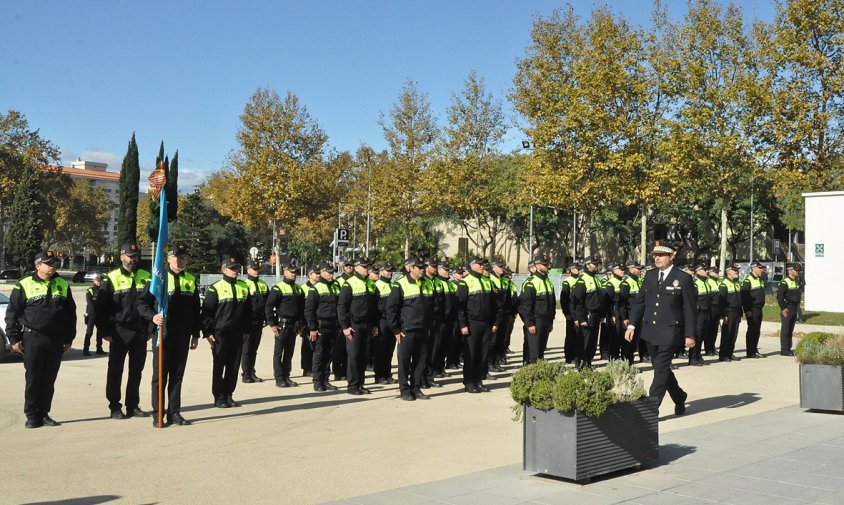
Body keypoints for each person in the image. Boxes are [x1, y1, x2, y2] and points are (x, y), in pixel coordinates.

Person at [5, 251, 76, 428]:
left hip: (56, 339)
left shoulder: (62, 284)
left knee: (49, 379)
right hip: (33, 338)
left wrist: (69, 338)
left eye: (54, 263)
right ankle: (32, 415)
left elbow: (70, 315)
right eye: (48, 263)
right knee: (34, 378)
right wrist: (13, 338)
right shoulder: (24, 285)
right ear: (38, 266)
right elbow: (12, 314)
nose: (52, 266)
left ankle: (44, 413)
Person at [626, 242, 696, 416]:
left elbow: (689, 309)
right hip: (650, 331)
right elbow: (639, 302)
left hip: (671, 332)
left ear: (671, 257)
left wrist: (690, 334)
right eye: (655, 255)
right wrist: (632, 325)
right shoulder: (649, 276)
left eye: (661, 255)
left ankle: (650, 410)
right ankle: (679, 397)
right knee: (661, 369)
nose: (657, 258)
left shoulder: (683, 278)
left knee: (660, 370)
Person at [138, 244, 201, 427]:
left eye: (184, 257)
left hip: (182, 336)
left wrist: (195, 334)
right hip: (163, 335)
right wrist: (153, 316)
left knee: (177, 376)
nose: (182, 260)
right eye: (178, 257)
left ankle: (175, 412)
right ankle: (158, 414)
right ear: (169, 258)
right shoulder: (159, 279)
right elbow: (142, 303)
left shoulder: (190, 279)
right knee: (160, 377)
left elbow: (196, 309)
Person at [98, 242, 152, 420]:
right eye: (129, 257)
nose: (133, 260)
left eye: (135, 257)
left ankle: (133, 405)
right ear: (122, 257)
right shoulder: (111, 278)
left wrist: (150, 329)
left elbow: (153, 304)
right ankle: (114, 406)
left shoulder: (147, 277)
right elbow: (101, 308)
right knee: (115, 371)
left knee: (136, 371)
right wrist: (104, 331)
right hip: (118, 331)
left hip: (140, 332)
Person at [202, 257, 252, 408]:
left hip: (237, 334)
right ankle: (218, 397)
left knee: (234, 367)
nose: (235, 271)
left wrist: (246, 331)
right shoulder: (215, 288)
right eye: (231, 268)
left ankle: (229, 394)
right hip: (220, 335)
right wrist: (207, 333)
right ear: (223, 270)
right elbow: (206, 313)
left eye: (236, 268)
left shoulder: (244, 287)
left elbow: (248, 311)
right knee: (219, 366)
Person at [387, 257, 434, 400]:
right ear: (411, 268)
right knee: (404, 361)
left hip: (423, 329)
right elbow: (391, 309)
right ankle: (404, 389)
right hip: (407, 330)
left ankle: (416, 387)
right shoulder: (400, 284)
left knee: (420, 361)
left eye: (423, 267)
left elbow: (432, 307)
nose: (423, 270)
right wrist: (396, 330)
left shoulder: (427, 283)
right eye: (419, 267)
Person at [456, 256, 499, 393]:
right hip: (471, 323)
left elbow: (493, 305)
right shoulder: (465, 282)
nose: (482, 266)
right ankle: (469, 382)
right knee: (471, 354)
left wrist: (494, 321)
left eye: (483, 264)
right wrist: (463, 324)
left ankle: (479, 380)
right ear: (472, 265)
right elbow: (460, 306)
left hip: (486, 323)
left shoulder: (487, 282)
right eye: (479, 264)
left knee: (483, 353)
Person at [337, 257, 378, 395]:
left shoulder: (371, 284)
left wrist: (375, 325)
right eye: (364, 266)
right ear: (356, 267)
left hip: (368, 325)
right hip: (354, 326)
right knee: (354, 356)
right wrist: (345, 326)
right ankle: (352, 385)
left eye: (367, 266)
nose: (366, 269)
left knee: (364, 356)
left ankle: (360, 384)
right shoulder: (349, 284)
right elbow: (342, 307)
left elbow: (375, 307)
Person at [265, 262, 305, 388]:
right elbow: (269, 307)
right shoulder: (278, 288)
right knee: (278, 352)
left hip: (294, 325)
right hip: (282, 324)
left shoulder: (298, 288)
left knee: (289, 352)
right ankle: (279, 378)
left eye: (295, 272)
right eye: (292, 272)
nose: (294, 275)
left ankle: (287, 376)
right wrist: (272, 324)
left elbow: (302, 308)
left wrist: (301, 323)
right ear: (285, 272)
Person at [305, 263, 342, 392]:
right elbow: (309, 310)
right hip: (321, 327)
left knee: (329, 355)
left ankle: (326, 380)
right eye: (329, 272)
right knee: (319, 355)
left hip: (334, 326)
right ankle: (317, 381)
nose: (332, 274)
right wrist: (312, 328)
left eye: (333, 272)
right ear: (322, 272)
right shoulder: (316, 288)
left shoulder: (336, 287)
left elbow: (339, 308)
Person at [518, 255, 555, 364]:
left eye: (547, 264)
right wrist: (529, 323)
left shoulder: (548, 282)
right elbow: (525, 306)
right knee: (534, 352)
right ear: (537, 266)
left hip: (546, 320)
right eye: (544, 264)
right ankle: (531, 374)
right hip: (536, 320)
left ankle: (540, 376)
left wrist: (551, 322)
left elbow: (552, 304)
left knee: (541, 351)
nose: (547, 266)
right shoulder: (531, 282)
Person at [571, 256, 604, 368]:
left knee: (593, 342)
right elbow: (578, 302)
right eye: (594, 264)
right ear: (588, 265)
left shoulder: (596, 279)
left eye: (597, 264)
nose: (596, 266)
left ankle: (588, 362)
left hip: (595, 315)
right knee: (584, 342)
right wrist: (582, 319)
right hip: (587, 316)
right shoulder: (582, 280)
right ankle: (581, 364)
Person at [241, 261, 269, 383]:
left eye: (257, 269)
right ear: (248, 270)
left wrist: (267, 318)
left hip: (259, 321)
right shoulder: (244, 285)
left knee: (254, 348)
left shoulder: (263, 284)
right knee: (246, 348)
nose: (256, 271)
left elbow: (267, 303)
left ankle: (252, 371)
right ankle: (246, 373)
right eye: (253, 269)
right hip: (247, 321)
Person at [373, 262, 397, 384]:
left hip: (391, 321)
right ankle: (379, 375)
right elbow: (374, 306)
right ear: (381, 271)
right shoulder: (377, 285)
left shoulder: (393, 286)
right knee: (380, 350)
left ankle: (388, 374)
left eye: (391, 270)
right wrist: (375, 325)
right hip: (381, 320)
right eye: (387, 270)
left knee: (390, 350)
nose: (390, 273)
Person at [741, 261, 766, 358]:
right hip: (752, 309)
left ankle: (754, 349)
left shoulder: (760, 279)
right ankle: (750, 352)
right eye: (759, 268)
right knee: (752, 330)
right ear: (754, 268)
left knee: (757, 330)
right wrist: (747, 310)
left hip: (759, 308)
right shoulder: (748, 280)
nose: (761, 270)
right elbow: (744, 297)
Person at [298, 267, 320, 377]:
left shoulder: (320, 287)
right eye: (316, 273)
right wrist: (301, 324)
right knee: (307, 346)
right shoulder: (302, 288)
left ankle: (315, 367)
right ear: (309, 275)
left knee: (317, 346)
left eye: (319, 273)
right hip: (306, 322)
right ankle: (307, 368)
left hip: (318, 320)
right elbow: (300, 307)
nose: (318, 275)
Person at [718, 265, 743, 362]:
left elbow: (739, 300)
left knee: (734, 334)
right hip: (728, 312)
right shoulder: (724, 284)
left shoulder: (736, 284)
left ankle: (730, 353)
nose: (737, 272)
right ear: (729, 273)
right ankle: (723, 355)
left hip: (736, 312)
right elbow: (721, 302)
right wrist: (723, 315)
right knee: (726, 335)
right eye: (735, 271)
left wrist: (740, 313)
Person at [777, 263, 802, 356]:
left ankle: (788, 348)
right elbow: (779, 296)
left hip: (795, 307)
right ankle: (784, 349)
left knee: (790, 328)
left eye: (798, 270)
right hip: (788, 307)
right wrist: (783, 308)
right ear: (789, 271)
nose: (797, 272)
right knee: (786, 329)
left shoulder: (795, 281)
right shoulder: (785, 282)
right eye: (795, 270)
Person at [689, 264, 712, 366]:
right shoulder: (695, 283)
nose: (706, 271)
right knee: (697, 335)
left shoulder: (706, 283)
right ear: (698, 271)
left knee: (703, 335)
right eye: (704, 270)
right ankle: (693, 357)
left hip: (706, 312)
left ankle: (698, 355)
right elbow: (691, 300)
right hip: (698, 314)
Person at [560, 263, 579, 364]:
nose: (577, 270)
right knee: (570, 335)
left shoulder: (581, 280)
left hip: (579, 312)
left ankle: (576, 355)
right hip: (571, 313)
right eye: (575, 268)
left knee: (578, 336)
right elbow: (564, 299)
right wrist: (566, 313)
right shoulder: (567, 281)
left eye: (578, 268)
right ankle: (568, 356)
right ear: (571, 270)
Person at [82, 273, 106, 356]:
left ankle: (99, 349)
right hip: (92, 314)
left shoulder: (103, 291)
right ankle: (85, 349)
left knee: (100, 333)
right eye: (98, 280)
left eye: (101, 280)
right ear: (94, 281)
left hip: (101, 315)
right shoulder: (90, 290)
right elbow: (90, 303)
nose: (99, 282)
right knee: (89, 332)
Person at [704, 267, 722, 356]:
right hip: (711, 307)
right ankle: (708, 349)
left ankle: (712, 347)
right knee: (709, 329)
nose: (717, 274)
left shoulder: (718, 281)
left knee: (715, 329)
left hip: (717, 308)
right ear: (710, 273)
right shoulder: (708, 282)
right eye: (715, 272)